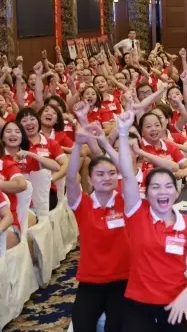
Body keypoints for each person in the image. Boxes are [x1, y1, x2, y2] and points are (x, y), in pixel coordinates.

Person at [117, 111, 187, 331]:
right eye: (155, 187)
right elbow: (127, 174)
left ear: (176, 192)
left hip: (177, 300)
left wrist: (186, 294)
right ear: (146, 192)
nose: (163, 192)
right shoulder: (136, 214)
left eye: (168, 186)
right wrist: (122, 133)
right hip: (138, 303)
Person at [66, 124, 129, 332]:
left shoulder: (125, 201)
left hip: (122, 279)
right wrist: (77, 144)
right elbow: (70, 178)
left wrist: (105, 144)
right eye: (100, 174)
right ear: (90, 179)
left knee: (117, 327)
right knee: (81, 326)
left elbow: (128, 173)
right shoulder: (82, 204)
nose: (107, 178)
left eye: (111, 173)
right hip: (90, 281)